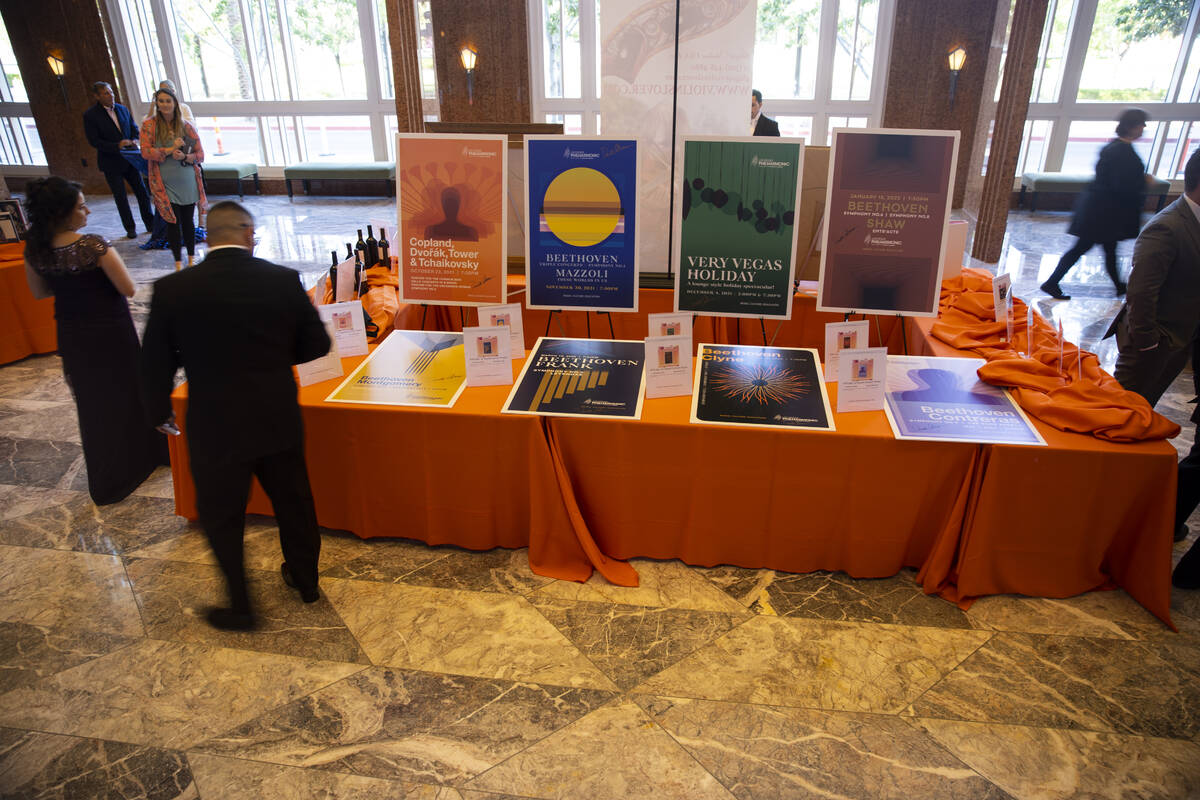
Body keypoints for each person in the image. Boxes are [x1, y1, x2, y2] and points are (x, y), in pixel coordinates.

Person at [140, 201, 332, 631]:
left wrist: (157, 411)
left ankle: (241, 605)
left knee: (222, 514)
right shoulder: (282, 281)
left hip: (215, 422)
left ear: (208, 235)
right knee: (293, 502)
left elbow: (153, 362)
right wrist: (273, 360)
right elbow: (317, 345)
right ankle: (306, 582)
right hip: (275, 413)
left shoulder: (174, 290)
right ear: (249, 234)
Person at [21, 177, 167, 505]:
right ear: (62, 212)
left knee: (95, 406)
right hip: (111, 332)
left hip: (73, 335)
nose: (87, 210)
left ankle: (113, 474)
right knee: (132, 391)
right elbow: (128, 288)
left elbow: (39, 292)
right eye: (81, 206)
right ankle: (150, 453)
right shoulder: (93, 245)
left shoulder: (36, 250)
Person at [1100, 147, 1200, 585]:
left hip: (1180, 342)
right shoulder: (1168, 227)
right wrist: (1149, 341)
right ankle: (1103, 506)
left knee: (1144, 418)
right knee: (1123, 416)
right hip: (1153, 345)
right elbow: (1142, 295)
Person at [1040, 108, 1150, 300]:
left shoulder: (1114, 147)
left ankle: (1118, 286)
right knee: (1086, 248)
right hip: (1102, 213)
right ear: (1132, 127)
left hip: (1100, 211)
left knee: (1105, 249)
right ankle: (1052, 282)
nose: (1143, 129)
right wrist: (1143, 182)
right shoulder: (1121, 151)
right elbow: (1120, 185)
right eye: (1141, 125)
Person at [140, 87, 207, 271]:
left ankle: (192, 259)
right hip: (164, 181)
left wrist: (185, 157)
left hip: (186, 179)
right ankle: (178, 263)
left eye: (168, 101)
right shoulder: (149, 126)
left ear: (175, 103)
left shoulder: (186, 126)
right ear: (157, 104)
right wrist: (170, 150)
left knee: (188, 221)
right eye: (161, 101)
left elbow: (200, 155)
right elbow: (145, 152)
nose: (164, 104)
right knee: (172, 221)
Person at [82, 81, 155, 240]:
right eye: (106, 93)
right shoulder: (91, 115)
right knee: (120, 197)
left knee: (142, 192)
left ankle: (150, 223)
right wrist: (117, 145)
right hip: (111, 162)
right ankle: (130, 228)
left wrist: (135, 139)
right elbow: (94, 141)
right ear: (97, 96)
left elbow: (134, 129)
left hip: (130, 159)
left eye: (112, 92)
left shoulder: (122, 109)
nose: (111, 96)